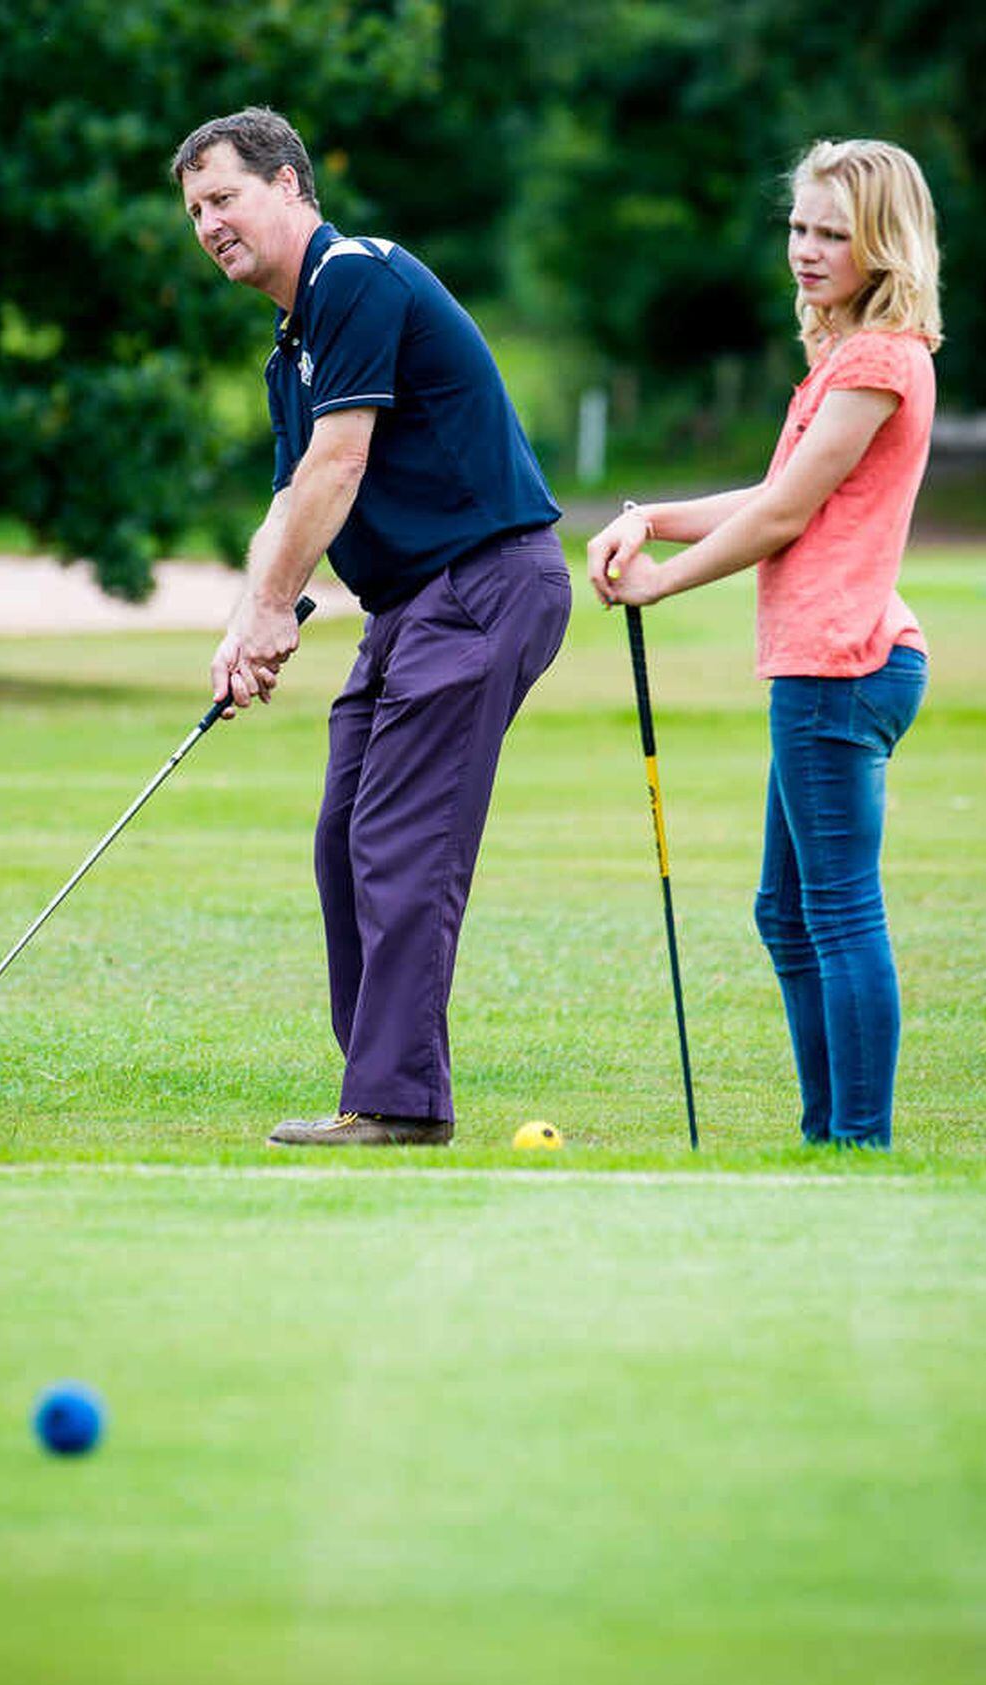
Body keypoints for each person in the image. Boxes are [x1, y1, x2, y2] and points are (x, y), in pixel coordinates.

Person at [172, 107, 571, 1146]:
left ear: (291, 183)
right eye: (195, 211)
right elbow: (291, 504)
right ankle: (381, 1083)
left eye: (225, 196)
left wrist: (270, 610)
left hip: (484, 582)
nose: (210, 223)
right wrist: (245, 626)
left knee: (401, 836)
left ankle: (397, 1102)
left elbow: (340, 464)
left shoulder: (353, 275)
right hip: (411, 606)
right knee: (345, 837)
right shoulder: (289, 348)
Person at [588, 139, 941, 1149]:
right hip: (824, 660)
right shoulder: (842, 358)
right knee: (787, 915)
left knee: (833, 912)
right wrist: (648, 517)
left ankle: (855, 1142)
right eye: (798, 226)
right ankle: (829, 1133)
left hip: (841, 664)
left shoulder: (876, 360)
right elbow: (774, 497)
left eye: (835, 232)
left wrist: (660, 581)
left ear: (884, 244)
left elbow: (785, 515)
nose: (807, 249)